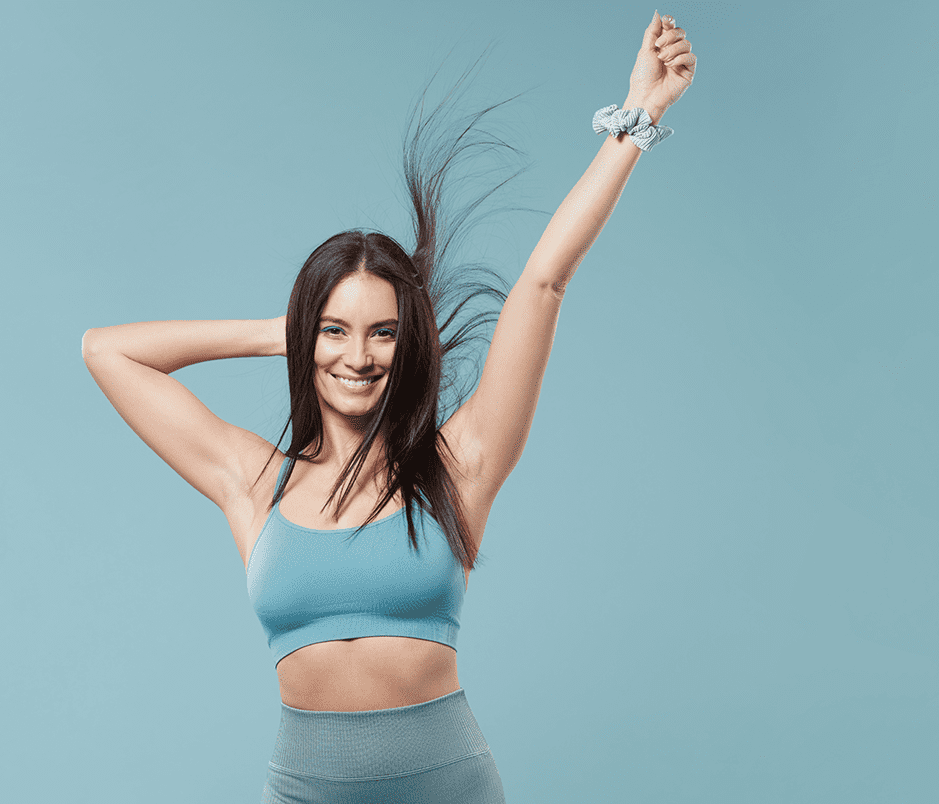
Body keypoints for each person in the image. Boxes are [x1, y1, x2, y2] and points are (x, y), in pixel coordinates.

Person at [82, 11, 694, 803]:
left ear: (408, 345)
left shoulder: (458, 464)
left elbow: (543, 280)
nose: (357, 356)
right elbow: (107, 351)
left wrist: (639, 114)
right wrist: (288, 332)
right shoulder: (249, 480)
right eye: (334, 331)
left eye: (381, 333)